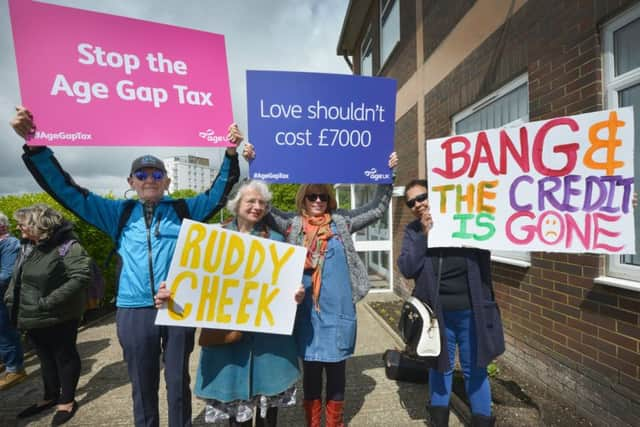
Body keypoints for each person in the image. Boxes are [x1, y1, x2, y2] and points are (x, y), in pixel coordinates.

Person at [10, 105, 242, 427]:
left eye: (157, 174)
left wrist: (230, 153)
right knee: (142, 385)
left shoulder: (184, 209)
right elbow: (67, 191)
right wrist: (36, 148)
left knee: (177, 383)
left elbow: (219, 192)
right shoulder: (115, 212)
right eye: (142, 175)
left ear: (167, 180)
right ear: (131, 181)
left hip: (177, 306)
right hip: (134, 310)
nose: (150, 179)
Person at [245, 143, 397, 427]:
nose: (318, 200)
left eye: (323, 196)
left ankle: (335, 422)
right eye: (312, 196)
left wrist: (387, 175)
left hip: (338, 312)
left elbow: (377, 209)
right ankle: (314, 423)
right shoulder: (291, 225)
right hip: (306, 315)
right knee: (312, 372)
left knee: (338, 371)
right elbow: (260, 207)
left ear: (329, 199)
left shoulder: (342, 222)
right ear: (303, 199)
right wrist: (254, 167)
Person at [156, 180, 305, 427]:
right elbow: (191, 279)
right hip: (229, 343)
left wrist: (295, 295)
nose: (257, 207)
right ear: (236, 204)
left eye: (262, 203)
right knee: (237, 413)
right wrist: (171, 294)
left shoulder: (277, 241)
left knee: (269, 415)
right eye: (251, 201)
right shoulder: (211, 238)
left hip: (269, 345)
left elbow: (287, 287)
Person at [397, 179, 504, 427]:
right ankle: (438, 420)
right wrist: (425, 235)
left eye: (422, 197)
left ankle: (482, 421)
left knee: (475, 369)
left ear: (433, 195)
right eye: (411, 202)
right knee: (439, 368)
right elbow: (407, 268)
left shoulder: (464, 219)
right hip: (437, 316)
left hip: (471, 312)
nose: (418, 204)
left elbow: (492, 239)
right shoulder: (413, 232)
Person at [4, 204, 91, 425]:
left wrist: (47, 302)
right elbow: (18, 277)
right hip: (32, 316)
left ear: (39, 225)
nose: (18, 226)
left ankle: (67, 401)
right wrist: (11, 300)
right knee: (44, 358)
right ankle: (50, 396)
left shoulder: (67, 245)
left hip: (58, 315)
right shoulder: (28, 245)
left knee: (64, 357)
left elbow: (80, 277)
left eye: (23, 222)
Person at [0, 211, 26, 390]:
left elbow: (7, 276)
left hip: (3, 297)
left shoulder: (10, 244)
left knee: (5, 331)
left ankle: (15, 368)